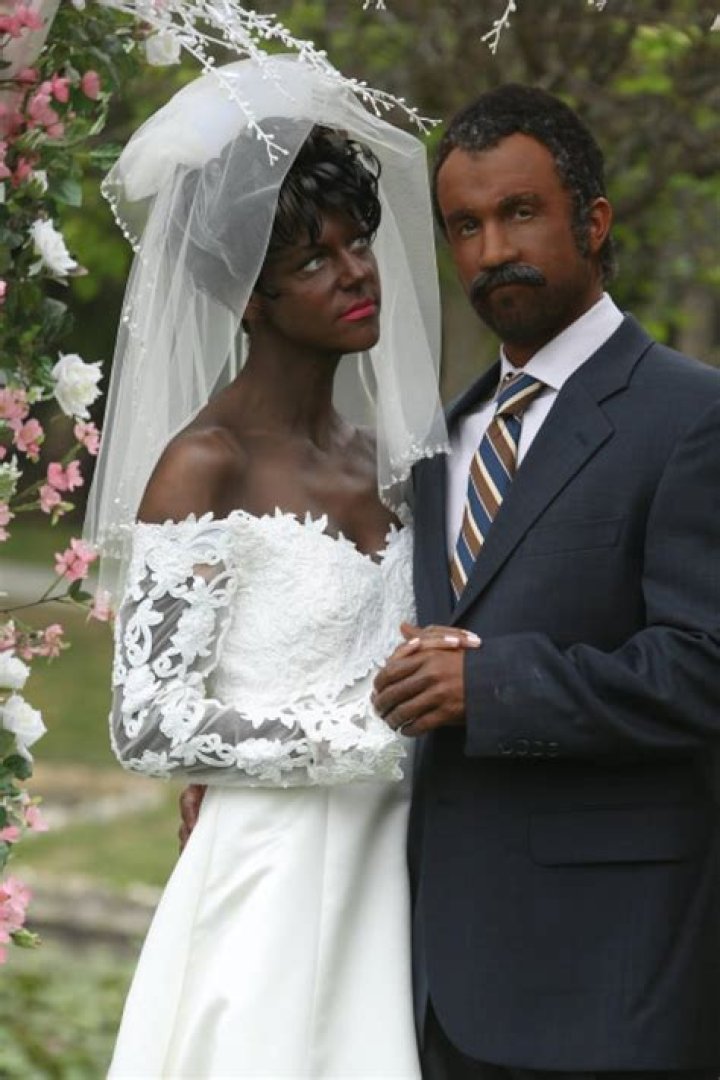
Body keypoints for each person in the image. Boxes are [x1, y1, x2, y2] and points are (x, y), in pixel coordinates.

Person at [85, 56, 451, 1078]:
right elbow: (150, 723)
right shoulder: (208, 464)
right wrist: (375, 739)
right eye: (313, 259)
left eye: (358, 241)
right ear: (248, 296)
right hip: (269, 879)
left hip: (398, 875)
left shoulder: (386, 464)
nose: (356, 272)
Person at [373, 84, 720, 1076]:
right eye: (465, 226)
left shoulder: (692, 417)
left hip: (608, 980)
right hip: (432, 981)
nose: (491, 251)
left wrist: (492, 686)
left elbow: (703, 666)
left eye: (519, 212)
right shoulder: (439, 441)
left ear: (593, 221)